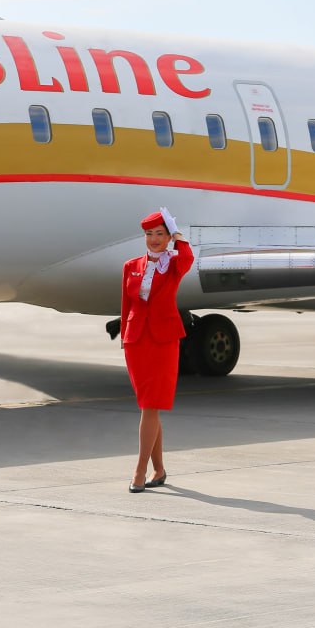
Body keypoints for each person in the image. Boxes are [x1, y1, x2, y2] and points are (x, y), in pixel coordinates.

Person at [120, 207, 194, 493]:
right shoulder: (131, 266)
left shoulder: (174, 264)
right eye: (149, 234)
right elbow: (127, 306)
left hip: (163, 342)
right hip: (136, 341)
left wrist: (178, 236)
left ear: (168, 236)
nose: (154, 239)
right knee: (148, 406)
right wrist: (125, 338)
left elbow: (187, 258)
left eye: (160, 234)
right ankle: (159, 470)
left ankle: (140, 471)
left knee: (150, 406)